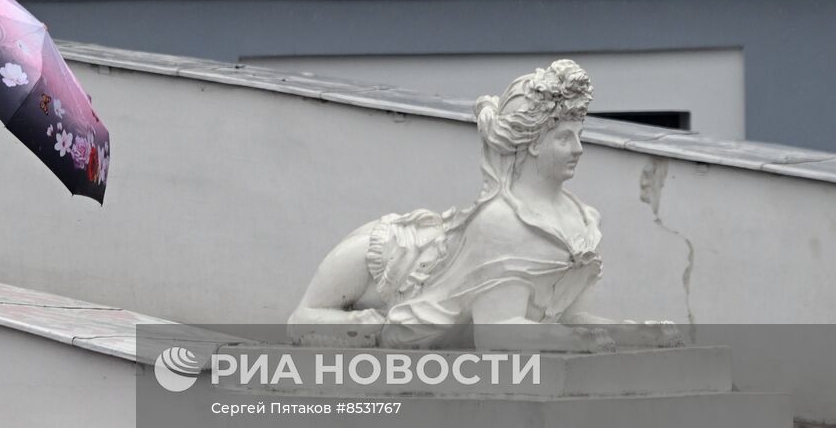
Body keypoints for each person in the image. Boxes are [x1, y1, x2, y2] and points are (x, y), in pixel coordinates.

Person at [289, 60, 677, 351]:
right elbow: (497, 330)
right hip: (392, 264)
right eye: (563, 138)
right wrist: (575, 341)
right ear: (533, 144)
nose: (578, 149)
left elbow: (568, 316)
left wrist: (631, 333)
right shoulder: (503, 223)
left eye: (579, 135)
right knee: (311, 312)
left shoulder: (582, 220)